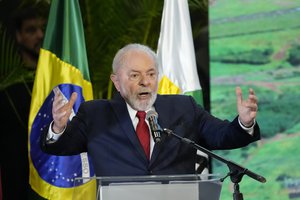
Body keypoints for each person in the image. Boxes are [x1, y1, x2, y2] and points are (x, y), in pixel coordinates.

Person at [40, 43, 260, 177]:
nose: (145, 82)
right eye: (135, 75)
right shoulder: (95, 114)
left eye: (151, 74)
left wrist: (244, 122)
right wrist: (58, 126)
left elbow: (222, 136)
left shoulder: (184, 107)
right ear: (116, 82)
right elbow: (60, 147)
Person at [0, 1, 49, 199]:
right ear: (18, 36)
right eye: (31, 30)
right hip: (16, 182)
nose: (40, 35)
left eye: (42, 29)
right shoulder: (6, 87)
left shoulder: (58, 82)